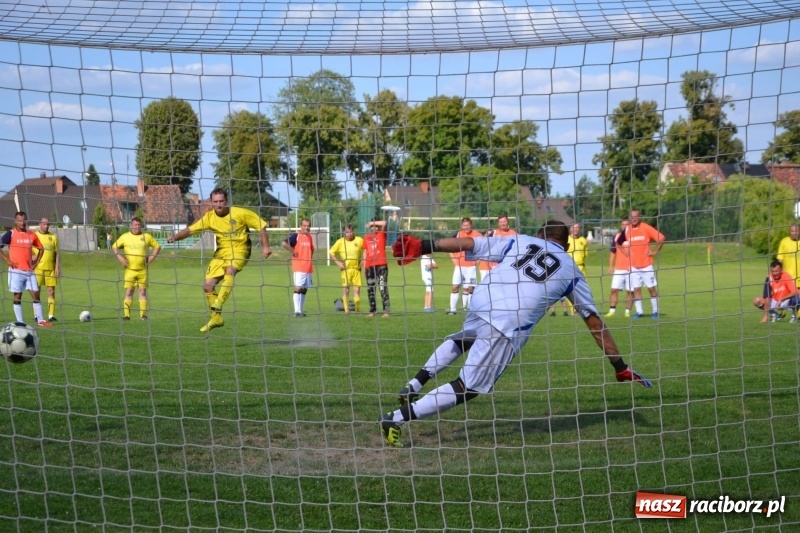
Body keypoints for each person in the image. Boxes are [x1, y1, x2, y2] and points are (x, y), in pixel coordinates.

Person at [381, 221, 652, 448]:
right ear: (567, 246)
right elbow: (593, 322)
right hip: (509, 320)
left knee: (465, 338)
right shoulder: (572, 270)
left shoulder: (519, 240)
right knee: (469, 387)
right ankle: (396, 417)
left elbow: (469, 245)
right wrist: (620, 366)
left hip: (483, 298)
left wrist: (425, 245)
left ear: (538, 236)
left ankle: (414, 385)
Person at [167, 188, 272, 332]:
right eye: (215, 202)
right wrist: (175, 237)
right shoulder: (209, 217)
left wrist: (266, 247)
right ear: (211, 202)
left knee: (230, 271)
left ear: (226, 201)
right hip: (221, 253)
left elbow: (262, 226)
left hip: (241, 249)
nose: (218, 204)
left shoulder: (240, 213)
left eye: (221, 201)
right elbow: (191, 230)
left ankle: (219, 302)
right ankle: (216, 318)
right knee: (207, 286)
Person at [0, 211, 51, 327]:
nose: (22, 223)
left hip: (29, 271)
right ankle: (20, 322)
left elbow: (41, 249)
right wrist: (7, 260)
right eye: (19, 220)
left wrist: (36, 262)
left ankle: (40, 320)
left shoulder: (32, 234)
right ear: (15, 221)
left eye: (24, 220)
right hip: (16, 271)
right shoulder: (10, 234)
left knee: (36, 294)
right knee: (18, 296)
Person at [113, 217, 161, 320]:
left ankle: (143, 315)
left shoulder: (146, 237)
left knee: (142, 292)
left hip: (142, 270)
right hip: (129, 270)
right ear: (131, 225)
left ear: (141, 226)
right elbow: (114, 247)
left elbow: (157, 246)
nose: (137, 227)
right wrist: (120, 258)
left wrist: (151, 258)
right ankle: (126, 315)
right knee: (129, 291)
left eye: (139, 225)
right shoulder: (125, 237)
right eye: (135, 224)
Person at [624, 209, 665, 319]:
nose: (634, 219)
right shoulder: (627, 230)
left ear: (640, 217)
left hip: (646, 265)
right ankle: (639, 312)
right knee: (636, 289)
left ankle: (655, 311)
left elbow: (661, 238)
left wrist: (655, 251)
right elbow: (619, 241)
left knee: (651, 288)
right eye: (631, 217)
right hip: (633, 266)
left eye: (636, 216)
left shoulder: (646, 227)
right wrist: (625, 250)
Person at [447, 217, 482, 314]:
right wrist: (453, 258)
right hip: (459, 266)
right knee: (455, 287)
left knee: (471, 288)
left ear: (471, 225)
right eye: (464, 225)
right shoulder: (458, 234)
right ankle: (452, 309)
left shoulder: (477, 235)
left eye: (468, 225)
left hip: (471, 266)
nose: (466, 227)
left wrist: (479, 258)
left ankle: (471, 310)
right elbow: (449, 246)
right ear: (461, 226)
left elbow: (484, 248)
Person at [283, 218, 315, 317]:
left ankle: (300, 310)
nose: (306, 227)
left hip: (308, 267)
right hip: (299, 267)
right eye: (304, 225)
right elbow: (284, 243)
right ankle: (297, 311)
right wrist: (293, 252)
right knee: (298, 288)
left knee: (305, 289)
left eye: (308, 225)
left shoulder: (309, 237)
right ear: (300, 226)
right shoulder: (296, 235)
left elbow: (312, 250)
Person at [329, 224, 363, 314]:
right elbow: (331, 252)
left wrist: (363, 260)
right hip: (345, 270)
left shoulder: (359, 240)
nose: (349, 234)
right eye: (347, 232)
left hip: (356, 269)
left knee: (357, 290)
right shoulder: (340, 242)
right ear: (344, 232)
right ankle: (346, 309)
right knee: (346, 289)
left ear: (353, 231)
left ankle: (357, 309)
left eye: (351, 231)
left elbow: (366, 249)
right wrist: (338, 262)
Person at [362, 217, 391, 318]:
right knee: (371, 289)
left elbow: (385, 222)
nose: (374, 227)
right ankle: (372, 311)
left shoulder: (382, 234)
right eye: (372, 226)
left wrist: (371, 222)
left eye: (376, 226)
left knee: (382, 287)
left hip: (381, 265)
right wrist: (365, 266)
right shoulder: (366, 237)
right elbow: (365, 251)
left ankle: (386, 311)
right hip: (370, 267)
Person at [605, 218, 633, 318]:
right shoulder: (617, 237)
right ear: (621, 226)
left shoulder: (633, 237)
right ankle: (612, 310)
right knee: (614, 290)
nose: (625, 226)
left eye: (627, 224)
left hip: (632, 269)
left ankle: (627, 312)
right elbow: (613, 252)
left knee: (630, 291)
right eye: (623, 225)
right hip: (619, 269)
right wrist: (611, 266)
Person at [34, 217, 60, 322]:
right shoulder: (35, 235)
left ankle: (51, 315)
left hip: (50, 269)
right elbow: (29, 251)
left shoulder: (53, 237)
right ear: (40, 224)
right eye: (44, 224)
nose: (46, 226)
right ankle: (37, 316)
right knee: (36, 292)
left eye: (48, 224)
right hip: (38, 269)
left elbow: (57, 253)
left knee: (51, 291)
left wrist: (57, 267)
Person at [479, 214, 517, 281]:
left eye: (504, 221)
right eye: (501, 222)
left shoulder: (513, 233)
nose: (503, 224)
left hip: (506, 265)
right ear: (498, 223)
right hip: (491, 264)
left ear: (508, 222)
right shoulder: (493, 233)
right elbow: (483, 244)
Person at [776, 224, 800, 289]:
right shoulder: (784, 242)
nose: (794, 233)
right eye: (792, 231)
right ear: (789, 232)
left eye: (797, 231)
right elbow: (780, 259)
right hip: (788, 278)